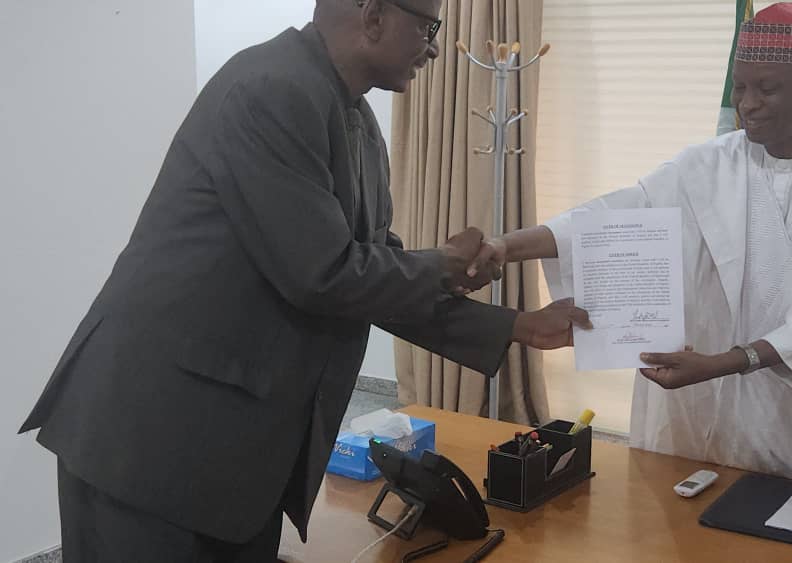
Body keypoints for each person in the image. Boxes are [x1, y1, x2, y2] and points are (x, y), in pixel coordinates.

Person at [18, 0, 590, 560]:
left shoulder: (354, 115)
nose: (435, 45)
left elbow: (368, 269)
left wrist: (519, 326)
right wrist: (440, 265)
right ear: (372, 17)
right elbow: (322, 274)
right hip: (152, 437)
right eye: (428, 25)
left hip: (233, 443)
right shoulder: (272, 89)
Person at [471, 2, 792, 514]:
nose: (747, 104)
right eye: (740, 87)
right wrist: (506, 246)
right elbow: (614, 218)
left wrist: (732, 361)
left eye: (768, 88)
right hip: (717, 418)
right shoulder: (708, 164)